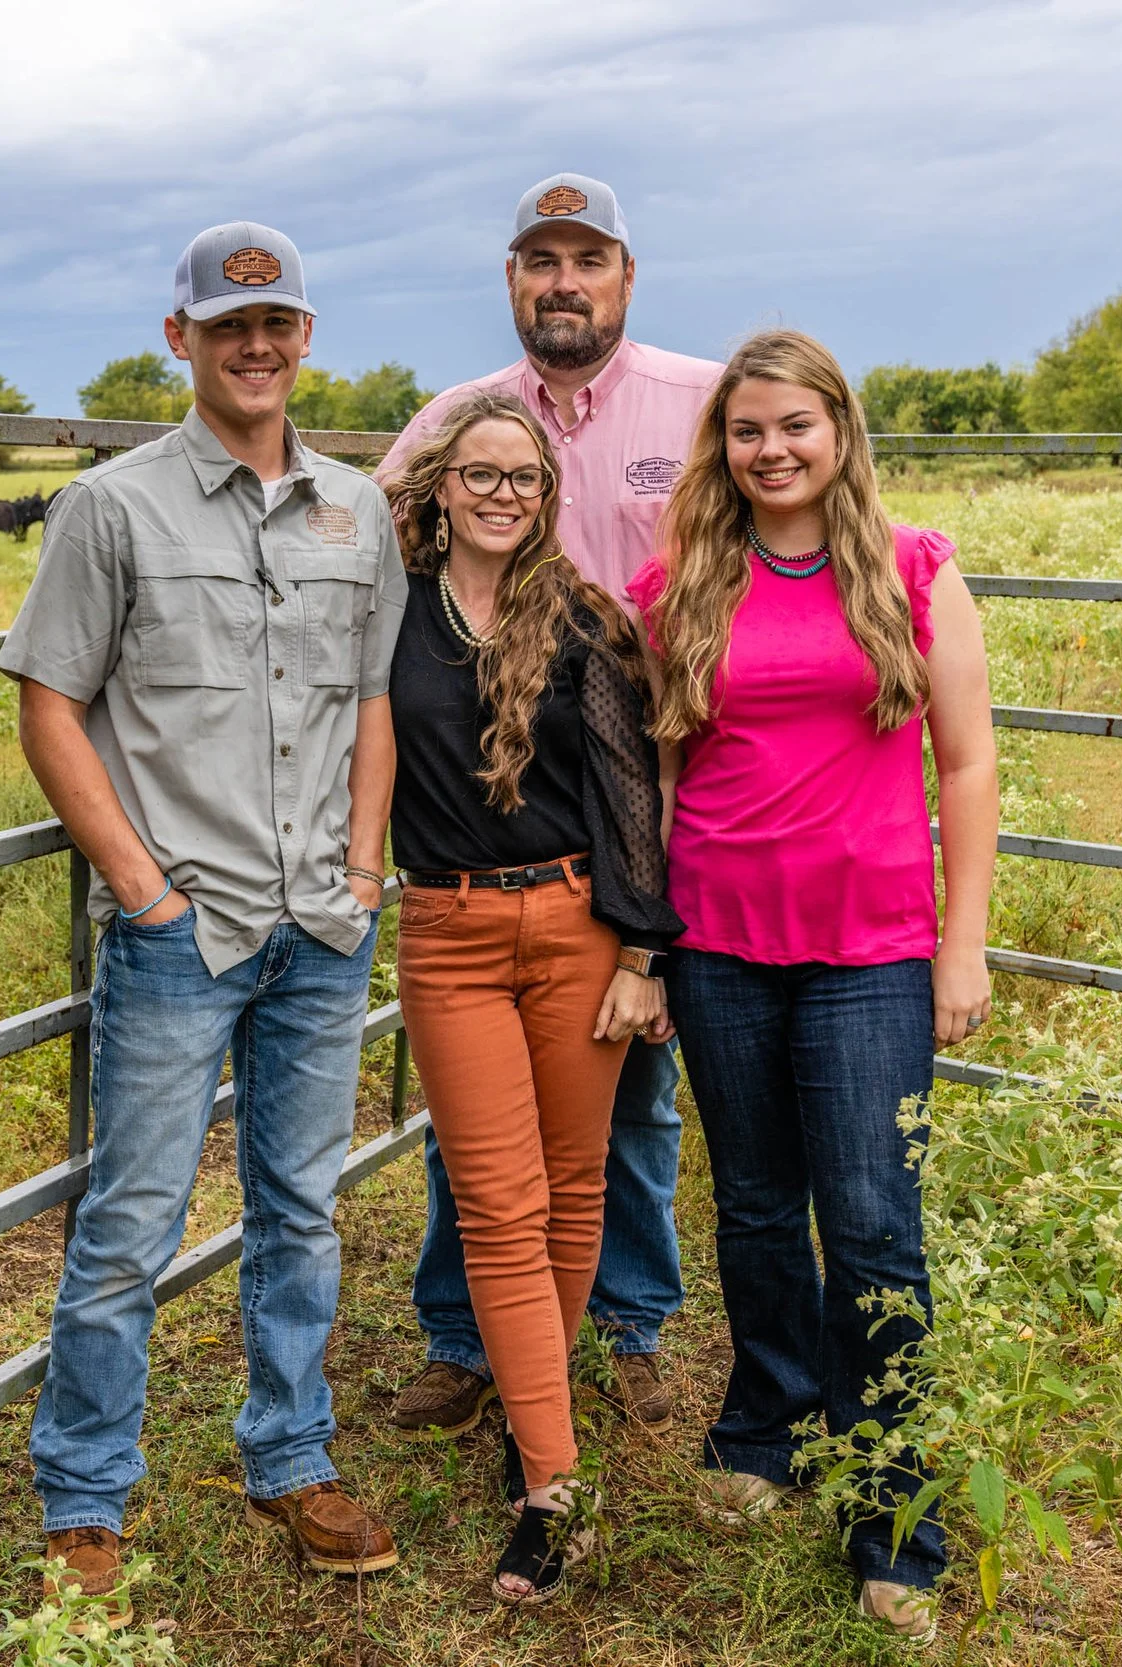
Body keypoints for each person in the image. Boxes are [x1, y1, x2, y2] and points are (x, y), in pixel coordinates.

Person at [0, 221, 407, 1609]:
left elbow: (372, 700)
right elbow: (50, 701)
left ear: (305, 336)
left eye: (279, 322)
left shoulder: (359, 511)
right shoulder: (110, 509)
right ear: (179, 338)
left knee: (302, 1207)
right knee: (133, 1217)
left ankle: (292, 1455)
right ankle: (86, 1494)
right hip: (187, 925)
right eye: (228, 324)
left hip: (320, 925)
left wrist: (362, 872)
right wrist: (140, 884)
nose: (256, 344)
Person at [627, 328, 999, 1645]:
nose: (771, 449)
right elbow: (666, 773)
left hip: (871, 949)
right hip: (722, 937)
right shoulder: (680, 582)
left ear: (839, 430)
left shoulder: (913, 568)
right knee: (759, 1208)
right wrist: (653, 946)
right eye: (746, 430)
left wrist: (963, 940)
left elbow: (964, 763)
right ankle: (767, 1425)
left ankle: (894, 1508)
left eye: (795, 425)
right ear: (722, 447)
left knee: (875, 1223)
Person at [376, 172, 722, 1438]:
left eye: (586, 258)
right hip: (477, 829)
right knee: (468, 1123)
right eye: (539, 261)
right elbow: (375, 559)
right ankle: (469, 1337)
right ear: (512, 281)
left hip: (643, 782)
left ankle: (623, 1323)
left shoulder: (697, 407)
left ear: (626, 276)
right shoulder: (450, 422)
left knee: (627, 1094)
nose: (562, 281)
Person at [382, 389, 684, 1603]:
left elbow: (631, 793)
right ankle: (557, 1488)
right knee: (498, 1202)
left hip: (575, 926)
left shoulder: (584, 622)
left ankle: (534, 1426)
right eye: (481, 474)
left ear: (545, 495)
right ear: (440, 486)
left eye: (525, 478)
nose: (503, 493)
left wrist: (640, 956)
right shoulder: (390, 615)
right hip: (447, 930)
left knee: (573, 1188)